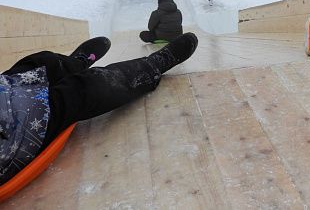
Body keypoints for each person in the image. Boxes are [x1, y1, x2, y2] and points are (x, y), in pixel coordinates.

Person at [0, 33, 198, 185]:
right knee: (84, 88)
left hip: (6, 92)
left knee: (43, 62)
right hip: (16, 133)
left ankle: (75, 64)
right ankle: (151, 67)